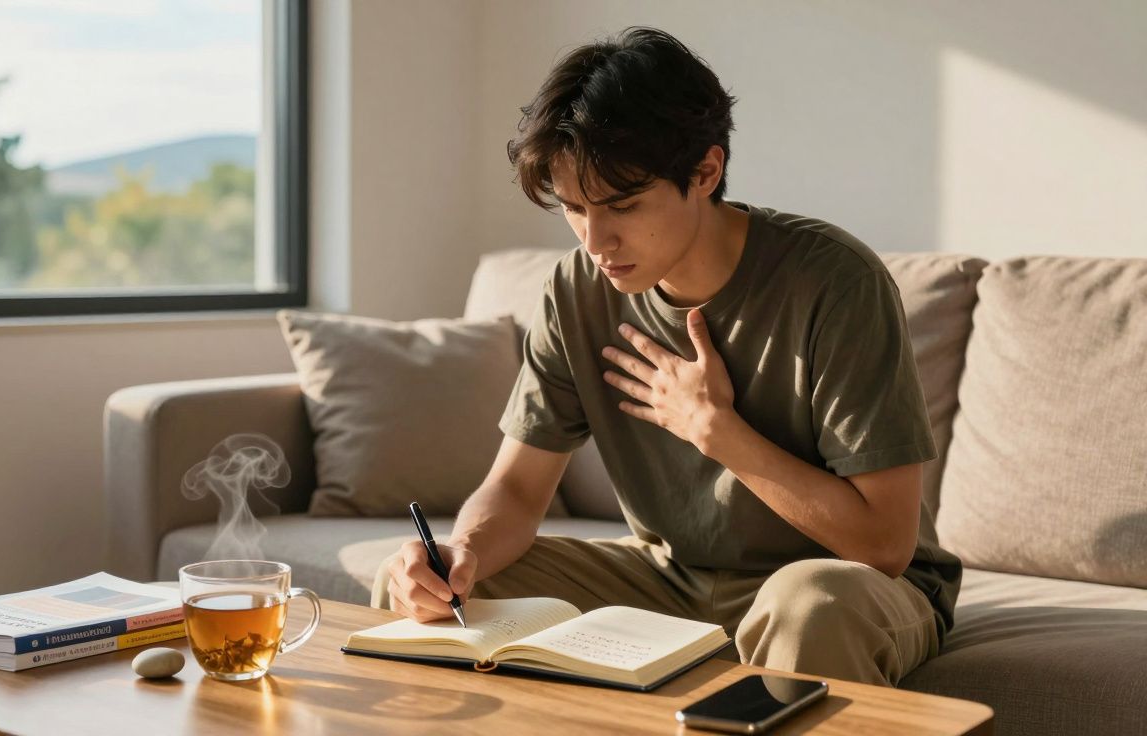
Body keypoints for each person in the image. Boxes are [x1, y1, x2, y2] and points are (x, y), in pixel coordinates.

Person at [372, 26, 961, 687]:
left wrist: (717, 431)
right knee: (426, 592)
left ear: (705, 172)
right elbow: (515, 489)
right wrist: (459, 554)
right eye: (573, 208)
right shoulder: (576, 291)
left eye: (622, 206)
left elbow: (884, 545)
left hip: (845, 582)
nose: (595, 240)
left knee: (810, 607)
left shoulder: (836, 282)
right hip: (671, 580)